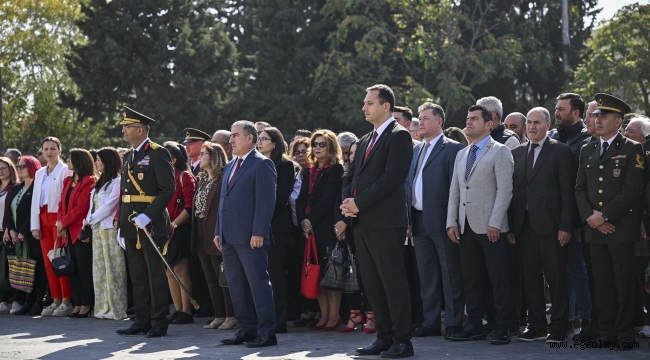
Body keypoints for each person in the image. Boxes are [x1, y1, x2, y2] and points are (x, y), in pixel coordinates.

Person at [340, 84, 414, 358]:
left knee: (393, 282)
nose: (364, 107)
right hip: (362, 222)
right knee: (372, 284)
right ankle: (383, 337)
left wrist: (358, 203)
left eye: (369, 103)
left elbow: (391, 180)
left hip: (385, 222)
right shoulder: (365, 139)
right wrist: (348, 204)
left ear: (386, 106)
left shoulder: (400, 136)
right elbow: (352, 177)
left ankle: (403, 341)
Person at [575, 93, 643, 349]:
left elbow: (631, 190)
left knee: (622, 282)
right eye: (596, 116)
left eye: (603, 117)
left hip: (620, 227)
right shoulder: (587, 149)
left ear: (618, 121)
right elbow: (579, 189)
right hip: (594, 229)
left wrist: (604, 216)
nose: (598, 121)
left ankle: (624, 330)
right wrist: (591, 218)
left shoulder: (631, 148)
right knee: (600, 282)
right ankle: (606, 331)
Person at [446, 104, 514, 345]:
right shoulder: (462, 154)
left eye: (474, 119)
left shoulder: (501, 151)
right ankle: (475, 323)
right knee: (470, 278)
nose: (469, 122)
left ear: (489, 124)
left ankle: (502, 326)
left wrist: (495, 223)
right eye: (467, 118)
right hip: (465, 227)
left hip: (491, 227)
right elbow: (456, 189)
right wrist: (451, 222)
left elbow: (505, 189)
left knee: (497, 278)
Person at [507, 107, 574, 343]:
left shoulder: (561, 152)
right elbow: (514, 192)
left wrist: (566, 225)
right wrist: (512, 227)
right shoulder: (516, 153)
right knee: (531, 278)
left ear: (547, 125)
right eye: (529, 123)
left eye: (537, 122)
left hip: (552, 227)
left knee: (556, 279)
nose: (532, 127)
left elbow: (568, 193)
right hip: (524, 226)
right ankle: (536, 325)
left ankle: (560, 326)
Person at [215, 120, 277, 348]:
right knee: (236, 285)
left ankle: (268, 332)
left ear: (250, 138)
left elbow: (266, 202)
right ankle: (246, 329)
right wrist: (218, 230)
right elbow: (224, 200)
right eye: (230, 135)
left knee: (258, 284)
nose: (231, 140)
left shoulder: (262, 164)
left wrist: (259, 232)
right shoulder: (231, 165)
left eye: (235, 135)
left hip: (251, 236)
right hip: (229, 236)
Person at [406, 102, 465, 339]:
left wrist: (453, 221)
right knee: (426, 274)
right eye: (419, 118)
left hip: (442, 221)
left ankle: (452, 322)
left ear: (439, 121)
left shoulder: (453, 149)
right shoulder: (417, 149)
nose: (420, 122)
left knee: (450, 275)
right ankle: (431, 322)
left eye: (426, 118)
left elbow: (457, 188)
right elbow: (410, 184)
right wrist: (408, 218)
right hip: (418, 220)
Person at [115, 107, 175, 338]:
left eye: (127, 127)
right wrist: (122, 226)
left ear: (140, 130)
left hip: (151, 223)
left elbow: (167, 189)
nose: (123, 130)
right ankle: (141, 320)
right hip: (131, 223)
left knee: (155, 275)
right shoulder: (129, 155)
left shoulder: (158, 152)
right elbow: (125, 194)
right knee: (138, 275)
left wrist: (148, 215)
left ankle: (159, 321)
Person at [549, 93, 593, 337]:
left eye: (561, 109)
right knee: (560, 271)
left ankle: (587, 319)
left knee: (577, 269)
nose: (557, 113)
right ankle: (565, 319)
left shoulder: (585, 141)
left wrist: (576, 222)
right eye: (556, 109)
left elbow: (580, 186)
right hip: (554, 218)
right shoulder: (554, 137)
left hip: (575, 220)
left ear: (576, 113)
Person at [296, 129, 344, 332]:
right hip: (309, 229)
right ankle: (324, 316)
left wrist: (310, 220)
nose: (316, 148)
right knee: (317, 273)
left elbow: (327, 200)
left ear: (331, 146)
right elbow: (300, 199)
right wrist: (302, 221)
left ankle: (334, 317)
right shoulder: (308, 170)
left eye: (322, 144)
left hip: (325, 227)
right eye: (314, 144)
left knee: (329, 273)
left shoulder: (335, 170)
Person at [192, 142, 236, 330]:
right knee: (210, 277)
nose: (200, 157)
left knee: (223, 276)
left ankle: (231, 315)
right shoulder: (202, 179)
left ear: (214, 157)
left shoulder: (223, 179)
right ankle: (218, 315)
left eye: (204, 154)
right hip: (201, 230)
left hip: (217, 231)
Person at [257, 127, 295, 333]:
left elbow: (281, 198)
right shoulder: (256, 163)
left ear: (275, 142)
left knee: (276, 273)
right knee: (260, 274)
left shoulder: (286, 165)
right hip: (256, 226)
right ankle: (263, 317)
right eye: (259, 138)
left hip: (276, 226)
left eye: (264, 139)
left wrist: (261, 216)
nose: (260, 142)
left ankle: (279, 320)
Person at [30, 136, 73, 317]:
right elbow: (35, 200)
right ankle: (55, 299)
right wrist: (35, 225)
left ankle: (66, 301)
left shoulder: (65, 171)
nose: (49, 152)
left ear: (60, 151)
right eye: (45, 149)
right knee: (48, 262)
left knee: (60, 260)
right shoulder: (39, 173)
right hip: (42, 217)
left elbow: (66, 198)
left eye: (53, 148)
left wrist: (63, 222)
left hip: (58, 218)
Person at [84, 147, 126, 320]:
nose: (96, 163)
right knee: (99, 269)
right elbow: (92, 205)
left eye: (99, 159)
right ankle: (102, 308)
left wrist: (90, 219)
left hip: (109, 230)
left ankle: (116, 309)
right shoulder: (99, 183)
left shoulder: (117, 182)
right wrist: (87, 221)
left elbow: (110, 206)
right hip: (97, 230)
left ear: (108, 161)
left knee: (113, 268)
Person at [4, 156, 47, 315]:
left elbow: (34, 212)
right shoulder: (17, 187)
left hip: (32, 233)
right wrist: (13, 230)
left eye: (22, 166)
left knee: (37, 267)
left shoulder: (38, 186)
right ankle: (27, 301)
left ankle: (37, 301)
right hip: (17, 234)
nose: (19, 168)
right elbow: (10, 211)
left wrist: (23, 231)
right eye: (17, 166)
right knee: (25, 267)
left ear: (32, 167)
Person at [57, 149, 97, 318]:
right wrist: (60, 224)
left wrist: (64, 223)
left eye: (71, 158)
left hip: (79, 231)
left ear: (79, 161)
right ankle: (77, 302)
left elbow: (81, 208)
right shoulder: (68, 180)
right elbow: (61, 204)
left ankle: (87, 303)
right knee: (72, 269)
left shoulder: (90, 181)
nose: (68, 160)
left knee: (84, 268)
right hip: (66, 231)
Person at [287, 139, 321, 328]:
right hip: (296, 228)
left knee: (316, 268)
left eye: (304, 151)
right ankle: (310, 310)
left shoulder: (316, 172)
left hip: (313, 227)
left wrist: (307, 222)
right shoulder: (298, 174)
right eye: (297, 152)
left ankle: (320, 312)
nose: (301, 155)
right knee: (302, 270)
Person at [162, 142, 196, 325]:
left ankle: (187, 311)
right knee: (169, 271)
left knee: (180, 270)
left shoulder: (185, 176)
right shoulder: (163, 178)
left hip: (181, 228)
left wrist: (173, 224)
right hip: (166, 230)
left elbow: (190, 208)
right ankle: (178, 310)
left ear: (173, 160)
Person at [623, 116, 650, 338]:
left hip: (645, 226)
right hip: (632, 226)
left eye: (631, 131)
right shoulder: (630, 156)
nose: (626, 134)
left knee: (644, 275)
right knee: (635, 274)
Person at [0, 157, 24, 314]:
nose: (1, 171)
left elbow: (13, 212)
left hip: (8, 231)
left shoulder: (15, 187)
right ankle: (3, 300)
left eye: (4, 168)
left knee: (11, 267)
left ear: (11, 169)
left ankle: (16, 300)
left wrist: (9, 228)